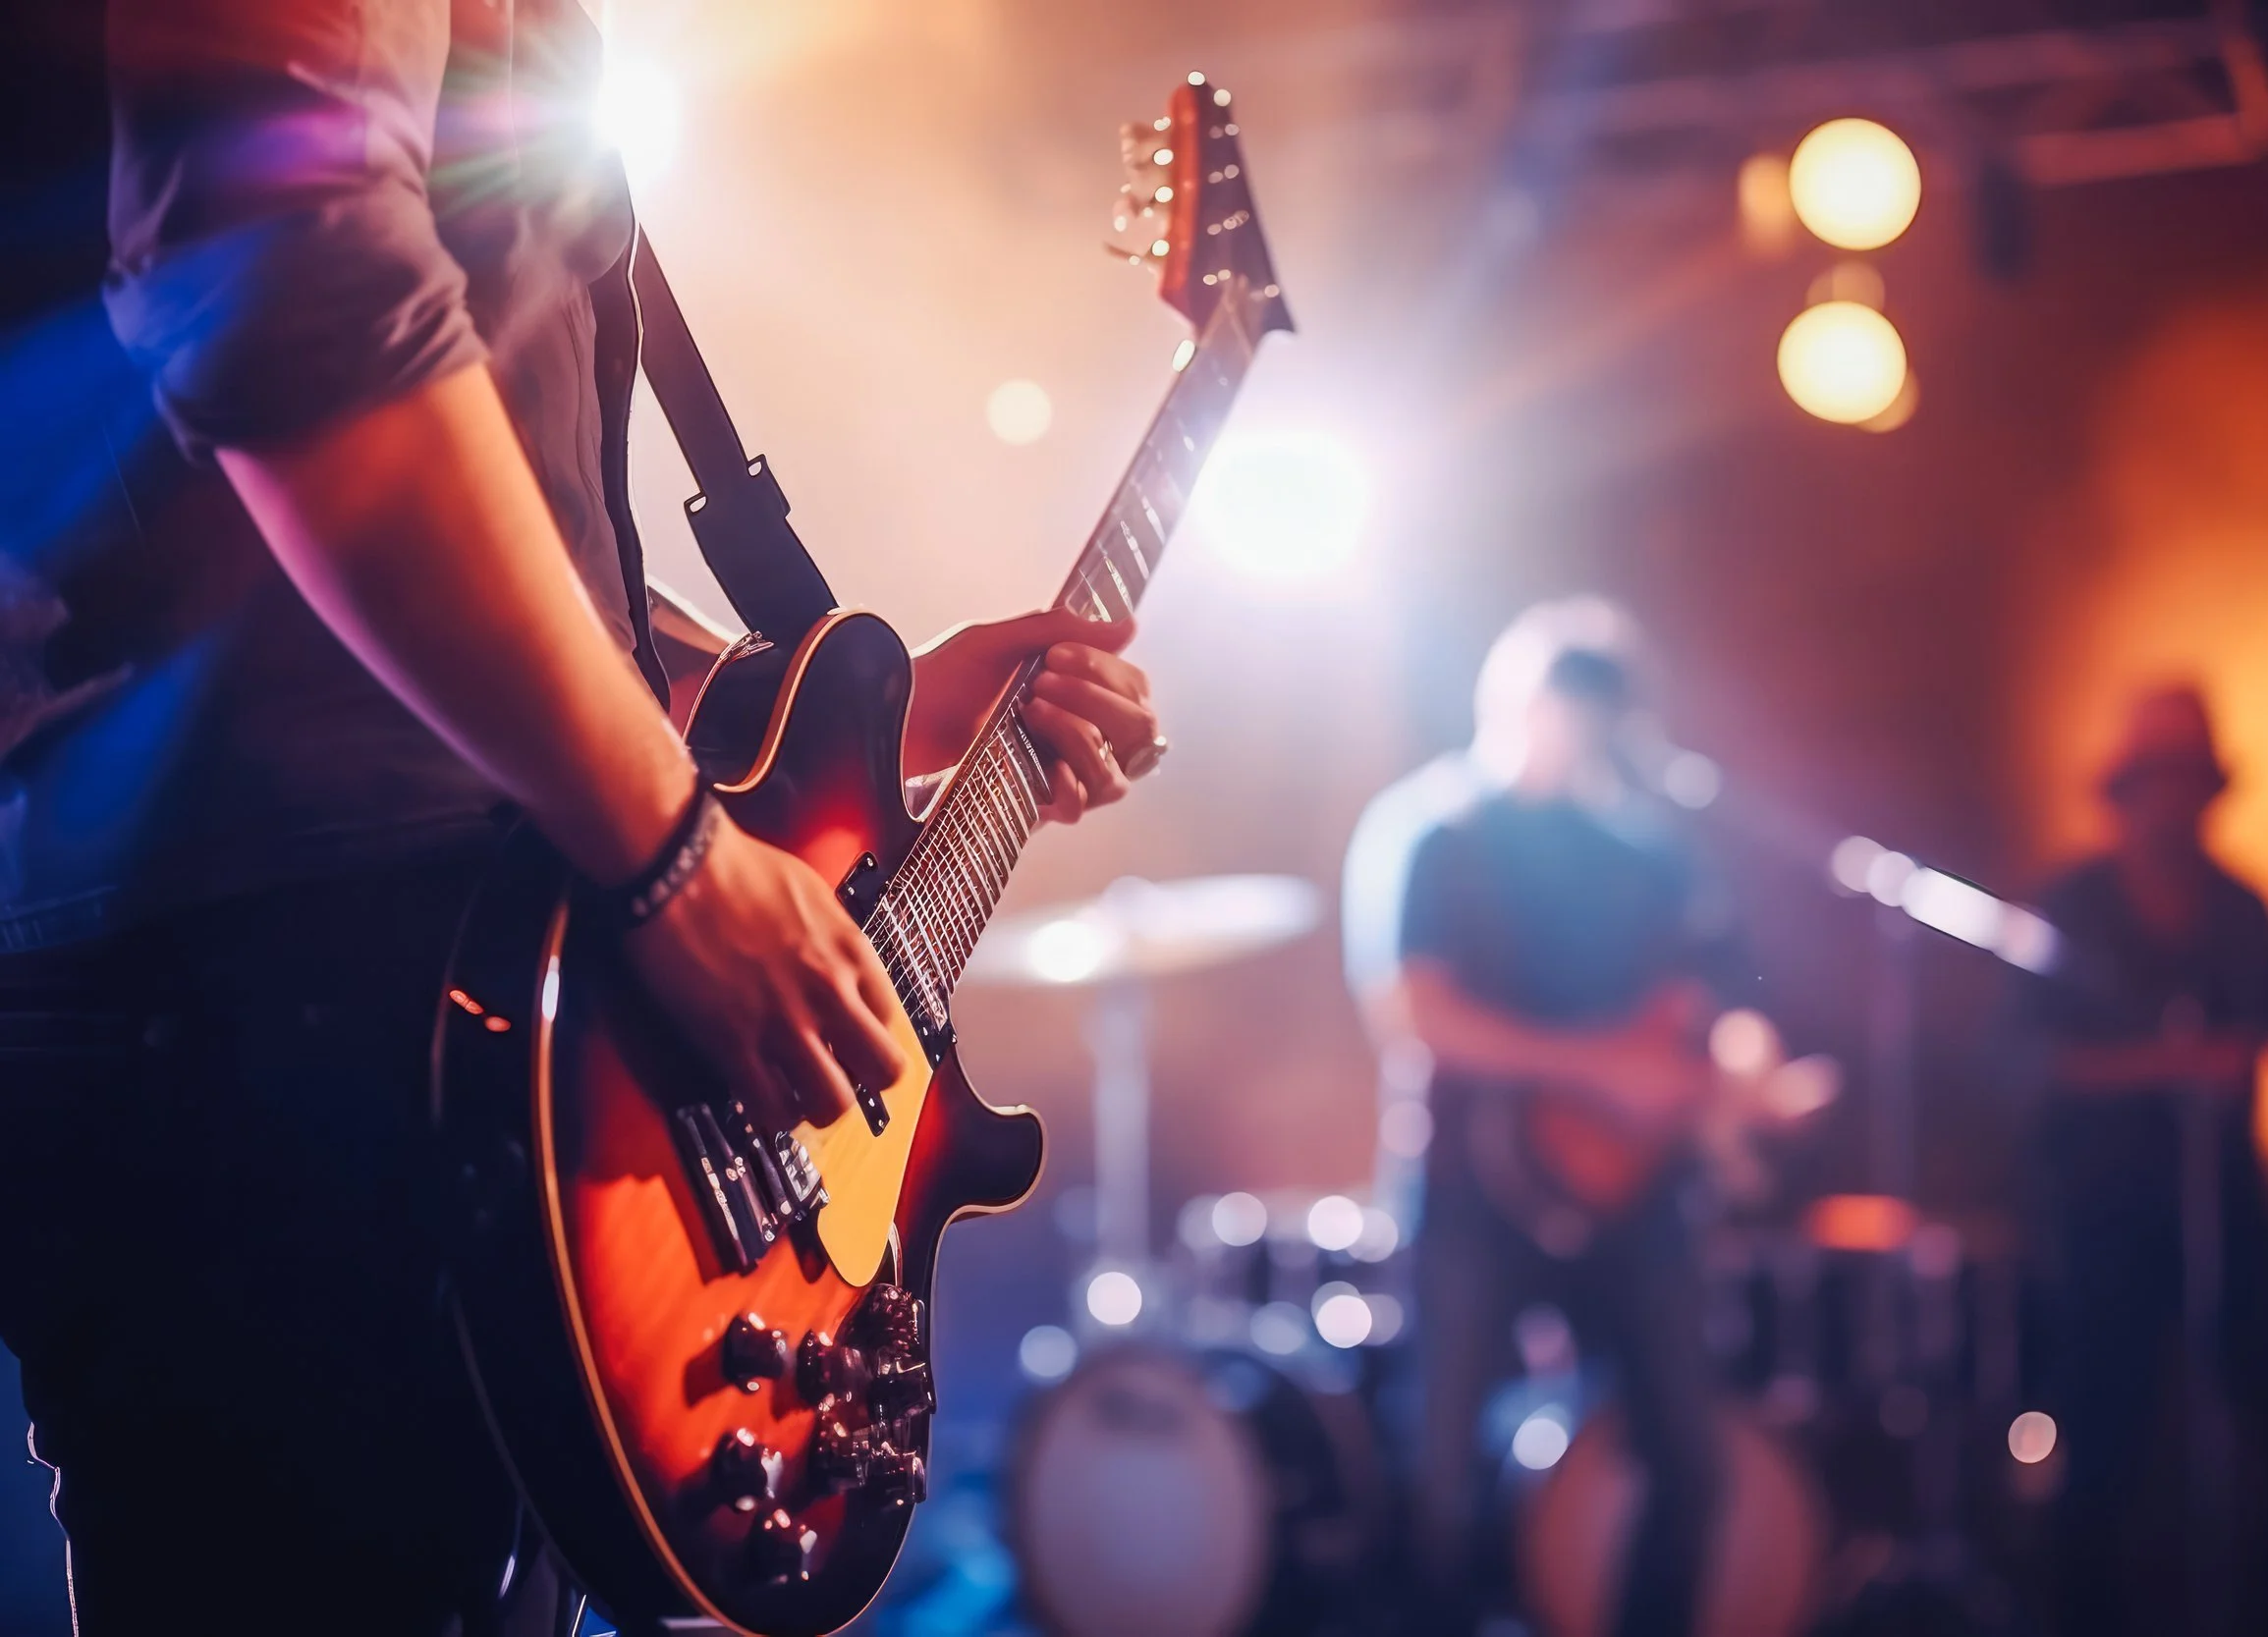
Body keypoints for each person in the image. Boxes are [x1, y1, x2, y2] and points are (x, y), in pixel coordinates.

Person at [0, 2, 1162, 1632]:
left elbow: (520, 514)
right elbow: (287, 294)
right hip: (287, 978)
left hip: (378, 945)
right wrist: (676, 856)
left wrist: (796, 710)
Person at [1344, 598, 1740, 1637]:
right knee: (1437, 1481)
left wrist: (1726, 1084)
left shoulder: (1650, 853)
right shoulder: (1441, 834)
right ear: (1515, 703)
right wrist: (1596, 1067)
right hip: (1474, 1196)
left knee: (1693, 1466)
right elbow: (1418, 1014)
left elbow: (1696, 1011)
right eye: (1568, 709)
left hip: (1636, 1199)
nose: (1583, 734)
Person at [2013, 683, 2268, 1637]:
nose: (2175, 798)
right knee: (2103, 1454)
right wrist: (2165, 1064)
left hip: (2231, 1211)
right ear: (2125, 787)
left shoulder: (2242, 908)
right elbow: (2020, 1063)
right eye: (2157, 777)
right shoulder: (2071, 902)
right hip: (2108, 1214)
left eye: (2189, 778)